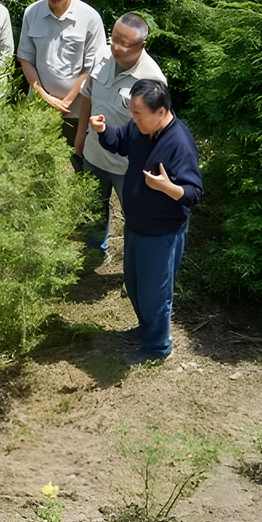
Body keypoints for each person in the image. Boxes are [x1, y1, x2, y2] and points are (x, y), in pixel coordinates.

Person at [89, 79, 202, 365]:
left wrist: (167, 187)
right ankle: (146, 330)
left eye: (139, 113)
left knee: (155, 293)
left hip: (162, 232)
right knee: (136, 284)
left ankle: (157, 348)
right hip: (136, 225)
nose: (133, 118)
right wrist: (103, 131)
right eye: (133, 112)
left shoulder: (179, 143)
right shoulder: (141, 129)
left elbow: (193, 193)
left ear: (161, 111)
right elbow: (121, 142)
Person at [75, 13, 167, 252]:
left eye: (123, 44)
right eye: (113, 39)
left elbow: (159, 129)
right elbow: (87, 94)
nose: (115, 48)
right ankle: (95, 250)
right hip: (94, 153)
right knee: (94, 208)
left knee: (136, 218)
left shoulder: (152, 78)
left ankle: (134, 264)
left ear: (140, 45)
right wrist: (81, 134)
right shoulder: (102, 55)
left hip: (130, 165)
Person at [16, 0, 105, 161]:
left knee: (81, 164)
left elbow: (91, 68)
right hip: (39, 105)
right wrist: (44, 96)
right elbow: (25, 59)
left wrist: (65, 101)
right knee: (37, 165)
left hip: (77, 111)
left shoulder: (90, 18)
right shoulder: (32, 13)